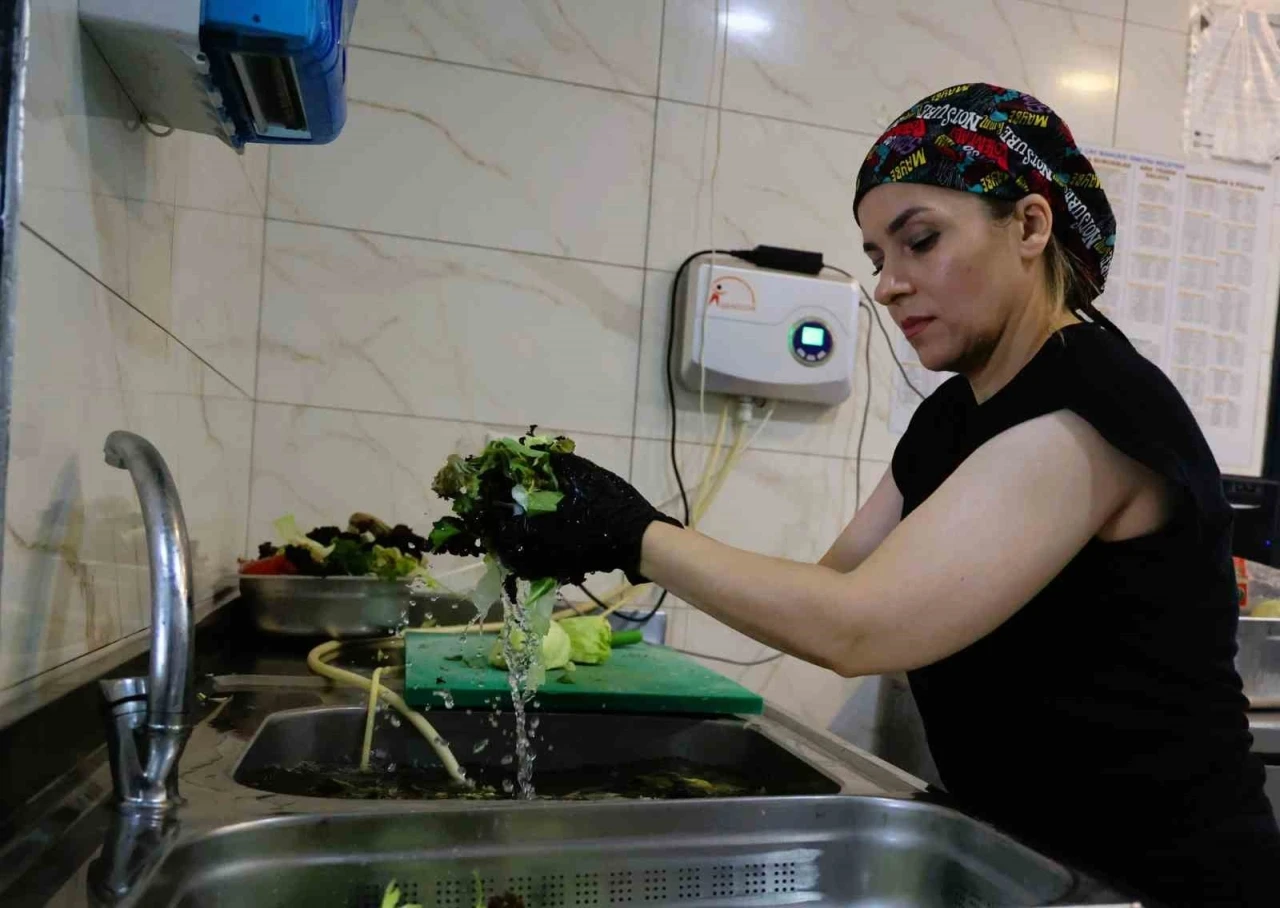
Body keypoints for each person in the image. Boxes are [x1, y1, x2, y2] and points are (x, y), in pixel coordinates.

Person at [477, 84, 1280, 906]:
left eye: (920, 241)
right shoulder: (949, 419)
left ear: (1031, 226)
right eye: (876, 259)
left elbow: (858, 627)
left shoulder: (1094, 407)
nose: (889, 285)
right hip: (1027, 864)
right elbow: (832, 588)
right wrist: (614, 543)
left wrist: (631, 532)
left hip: (1161, 884)